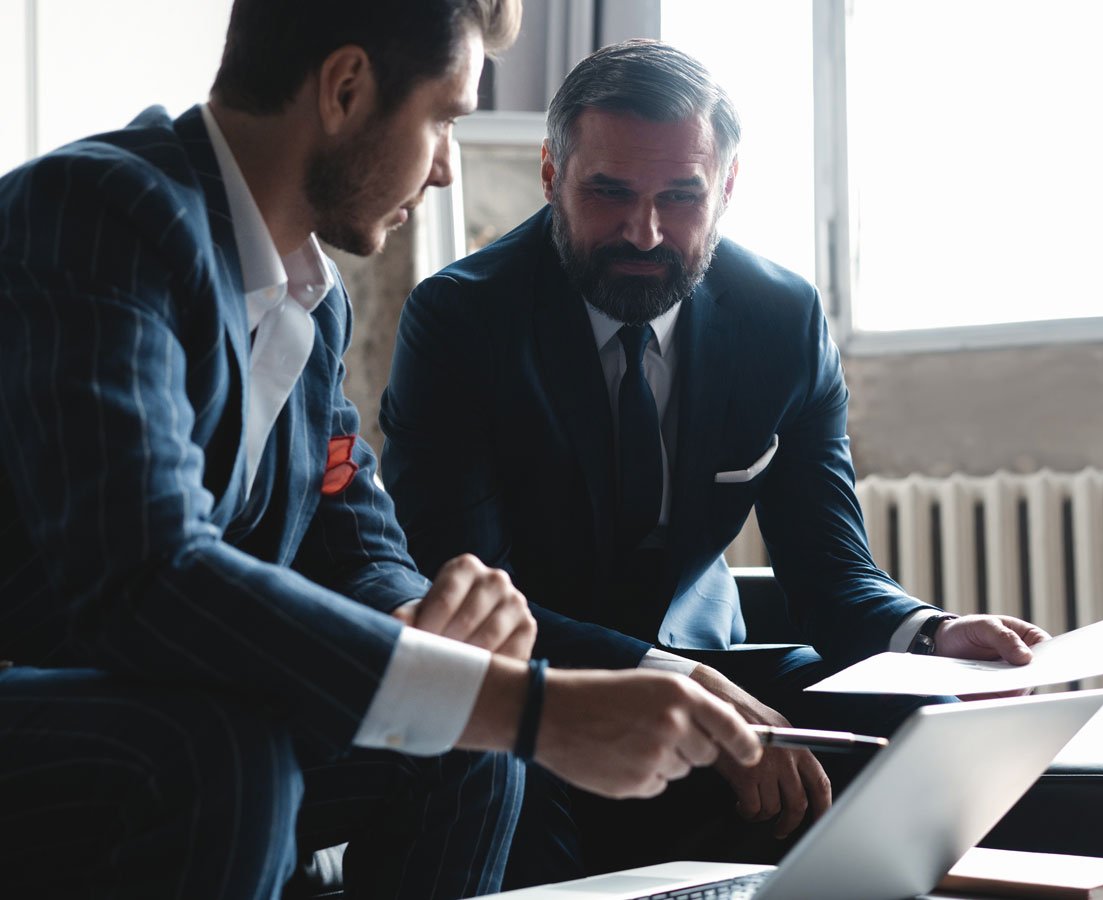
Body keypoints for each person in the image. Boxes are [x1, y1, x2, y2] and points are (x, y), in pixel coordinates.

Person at [0, 8, 765, 898]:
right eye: (443, 117)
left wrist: (442, 625)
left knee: (464, 749)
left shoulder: (313, 306)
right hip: (47, 698)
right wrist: (533, 707)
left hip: (163, 701)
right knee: (219, 753)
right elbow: (145, 573)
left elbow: (357, 542)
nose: (446, 168)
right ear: (346, 89)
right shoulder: (102, 212)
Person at [379, 39, 1051, 885]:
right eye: (610, 192)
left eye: (682, 197)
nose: (644, 231)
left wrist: (934, 632)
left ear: (726, 188)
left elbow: (830, 573)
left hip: (718, 668)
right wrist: (675, 686)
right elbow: (465, 587)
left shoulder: (783, 320)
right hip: (544, 686)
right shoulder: (460, 321)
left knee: (921, 713)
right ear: (552, 173)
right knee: (501, 767)